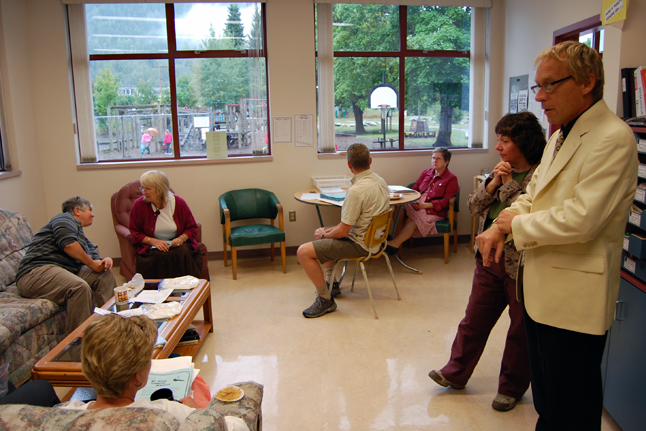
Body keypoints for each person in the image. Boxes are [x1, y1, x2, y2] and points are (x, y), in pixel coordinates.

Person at [477, 41, 637, 430]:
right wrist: (504, 220)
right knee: (549, 402)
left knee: (572, 408)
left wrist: (511, 225)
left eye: (549, 85)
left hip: (573, 302)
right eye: (537, 87)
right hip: (541, 292)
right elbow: (535, 193)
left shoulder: (612, 138)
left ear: (587, 82)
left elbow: (581, 219)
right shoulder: (561, 136)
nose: (541, 96)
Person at [429, 112, 546, 412]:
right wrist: (494, 183)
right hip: (488, 262)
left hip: (519, 267)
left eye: (504, 141)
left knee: (519, 329)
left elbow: (523, 214)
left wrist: (507, 186)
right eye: (498, 140)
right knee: (473, 320)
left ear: (524, 142)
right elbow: (473, 205)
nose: (498, 147)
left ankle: (511, 388)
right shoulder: (499, 171)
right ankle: (455, 373)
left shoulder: (540, 176)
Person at [58, 314, 248, 430]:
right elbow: (237, 427)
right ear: (137, 376)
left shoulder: (63, 415)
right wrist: (200, 414)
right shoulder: (168, 413)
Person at [297, 143, 389, 318]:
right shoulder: (380, 181)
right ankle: (332, 284)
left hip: (360, 245)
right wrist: (326, 232)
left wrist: (324, 233)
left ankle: (325, 299)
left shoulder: (356, 192)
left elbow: (343, 233)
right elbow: (350, 225)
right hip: (377, 241)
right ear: (370, 160)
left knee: (303, 252)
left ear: (349, 165)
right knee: (325, 234)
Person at [16, 197, 116, 333]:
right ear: (77, 211)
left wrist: (104, 261)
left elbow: (95, 260)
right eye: (89, 210)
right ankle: (80, 342)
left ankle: (113, 325)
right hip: (35, 272)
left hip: (62, 271)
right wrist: (93, 264)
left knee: (104, 273)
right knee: (79, 288)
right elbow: (68, 245)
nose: (92, 214)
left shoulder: (81, 237)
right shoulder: (64, 218)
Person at [385, 148, 459, 255]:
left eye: (438, 158)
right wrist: (413, 200)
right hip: (417, 205)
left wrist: (424, 205)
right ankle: (396, 241)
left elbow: (446, 201)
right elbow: (414, 189)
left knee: (411, 221)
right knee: (399, 206)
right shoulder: (426, 172)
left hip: (432, 211)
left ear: (446, 162)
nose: (435, 161)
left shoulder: (451, 178)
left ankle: (395, 243)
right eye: (433, 158)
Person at [129, 170, 202, 279]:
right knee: (157, 257)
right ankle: (160, 292)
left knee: (183, 253)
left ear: (160, 189)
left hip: (177, 244)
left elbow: (191, 228)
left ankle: (186, 290)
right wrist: (154, 241)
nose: (143, 192)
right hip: (152, 246)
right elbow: (135, 233)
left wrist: (181, 238)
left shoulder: (178, 203)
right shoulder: (139, 205)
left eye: (147, 189)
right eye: (142, 188)